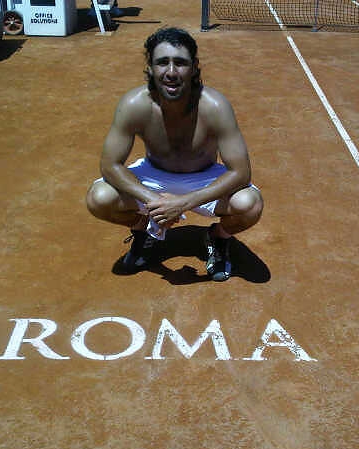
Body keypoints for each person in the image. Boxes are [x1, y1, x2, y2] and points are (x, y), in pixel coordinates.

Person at [86, 27, 263, 281]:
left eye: (180, 63)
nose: (171, 72)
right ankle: (142, 230)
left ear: (194, 68)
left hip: (204, 178)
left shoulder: (215, 106)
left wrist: (183, 202)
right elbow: (110, 166)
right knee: (99, 198)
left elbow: (241, 172)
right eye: (162, 63)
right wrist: (154, 202)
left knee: (250, 204)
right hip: (153, 176)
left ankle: (218, 237)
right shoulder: (134, 104)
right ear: (150, 67)